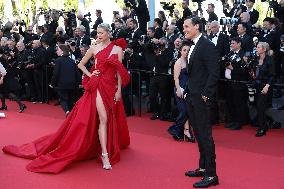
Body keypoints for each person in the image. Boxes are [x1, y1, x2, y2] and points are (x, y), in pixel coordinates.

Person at [2, 23, 130, 173]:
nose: (99, 35)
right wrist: (90, 74)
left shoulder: (118, 49)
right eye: (97, 33)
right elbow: (81, 64)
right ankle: (105, 155)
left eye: (101, 33)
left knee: (107, 117)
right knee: (104, 118)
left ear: (109, 33)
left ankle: (101, 146)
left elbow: (119, 72)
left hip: (111, 87)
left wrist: (118, 90)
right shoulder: (94, 48)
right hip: (98, 86)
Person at [183, 17, 219, 188]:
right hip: (192, 96)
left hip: (201, 98)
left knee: (205, 135)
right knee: (198, 133)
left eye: (187, 26)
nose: (184, 29)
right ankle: (203, 167)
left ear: (197, 26)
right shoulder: (194, 46)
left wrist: (206, 94)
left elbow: (214, 73)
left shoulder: (207, 46)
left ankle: (212, 175)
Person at [168, 41, 195, 143]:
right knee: (184, 111)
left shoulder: (190, 61)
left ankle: (185, 131)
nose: (186, 52)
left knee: (188, 111)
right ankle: (175, 129)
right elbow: (176, 78)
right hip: (180, 89)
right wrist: (178, 89)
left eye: (188, 50)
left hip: (189, 89)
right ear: (180, 51)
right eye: (184, 50)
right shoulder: (178, 62)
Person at [50, 44, 81, 116]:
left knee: (63, 99)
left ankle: (67, 111)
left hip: (62, 84)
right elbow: (77, 73)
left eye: (58, 50)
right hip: (72, 84)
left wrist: (52, 84)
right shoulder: (72, 61)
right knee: (70, 100)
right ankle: (71, 114)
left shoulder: (58, 60)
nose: (56, 51)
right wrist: (79, 83)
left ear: (62, 51)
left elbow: (55, 74)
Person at [252, 42, 275, 137]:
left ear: (264, 49)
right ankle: (264, 124)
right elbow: (255, 73)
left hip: (265, 86)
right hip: (256, 85)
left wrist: (267, 86)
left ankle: (262, 128)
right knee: (257, 105)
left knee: (261, 106)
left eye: (258, 47)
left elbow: (273, 76)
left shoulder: (270, 60)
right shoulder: (256, 59)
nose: (256, 49)